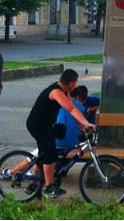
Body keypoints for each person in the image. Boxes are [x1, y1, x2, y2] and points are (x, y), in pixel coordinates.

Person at [24, 69, 96, 198]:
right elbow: (71, 108)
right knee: (49, 152)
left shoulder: (65, 91)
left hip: (47, 124)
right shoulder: (56, 92)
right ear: (72, 83)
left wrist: (81, 126)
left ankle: (34, 185)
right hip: (37, 124)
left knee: (48, 151)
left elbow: (69, 110)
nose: (76, 85)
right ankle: (49, 186)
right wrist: (86, 123)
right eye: (75, 82)